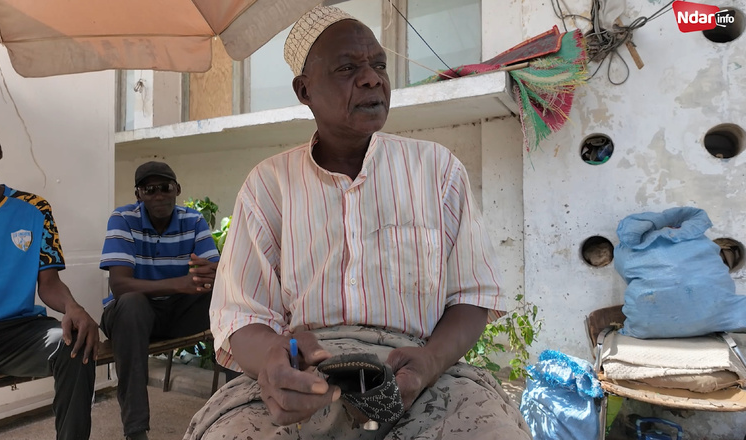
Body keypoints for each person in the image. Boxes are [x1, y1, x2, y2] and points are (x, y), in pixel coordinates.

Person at [184, 5, 531, 440]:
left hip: (416, 371)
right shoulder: (268, 185)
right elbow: (241, 317)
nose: (372, 78)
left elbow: (471, 296)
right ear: (304, 90)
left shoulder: (437, 170)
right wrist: (274, 358)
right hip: (307, 373)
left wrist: (429, 362)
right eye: (348, 67)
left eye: (379, 65)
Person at [0, 113, 99, 440]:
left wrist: (73, 308)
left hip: (19, 332)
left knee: (74, 343)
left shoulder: (34, 208)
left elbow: (49, 283)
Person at [99, 161, 220, 440]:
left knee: (225, 298)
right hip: (130, 317)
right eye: (148, 189)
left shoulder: (194, 221)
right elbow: (119, 286)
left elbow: (213, 273)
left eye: (164, 187)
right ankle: (136, 430)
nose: (158, 195)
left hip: (176, 312)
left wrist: (210, 275)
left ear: (177, 189)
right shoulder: (123, 219)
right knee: (132, 303)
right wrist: (179, 283)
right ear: (138, 195)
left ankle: (236, 406)